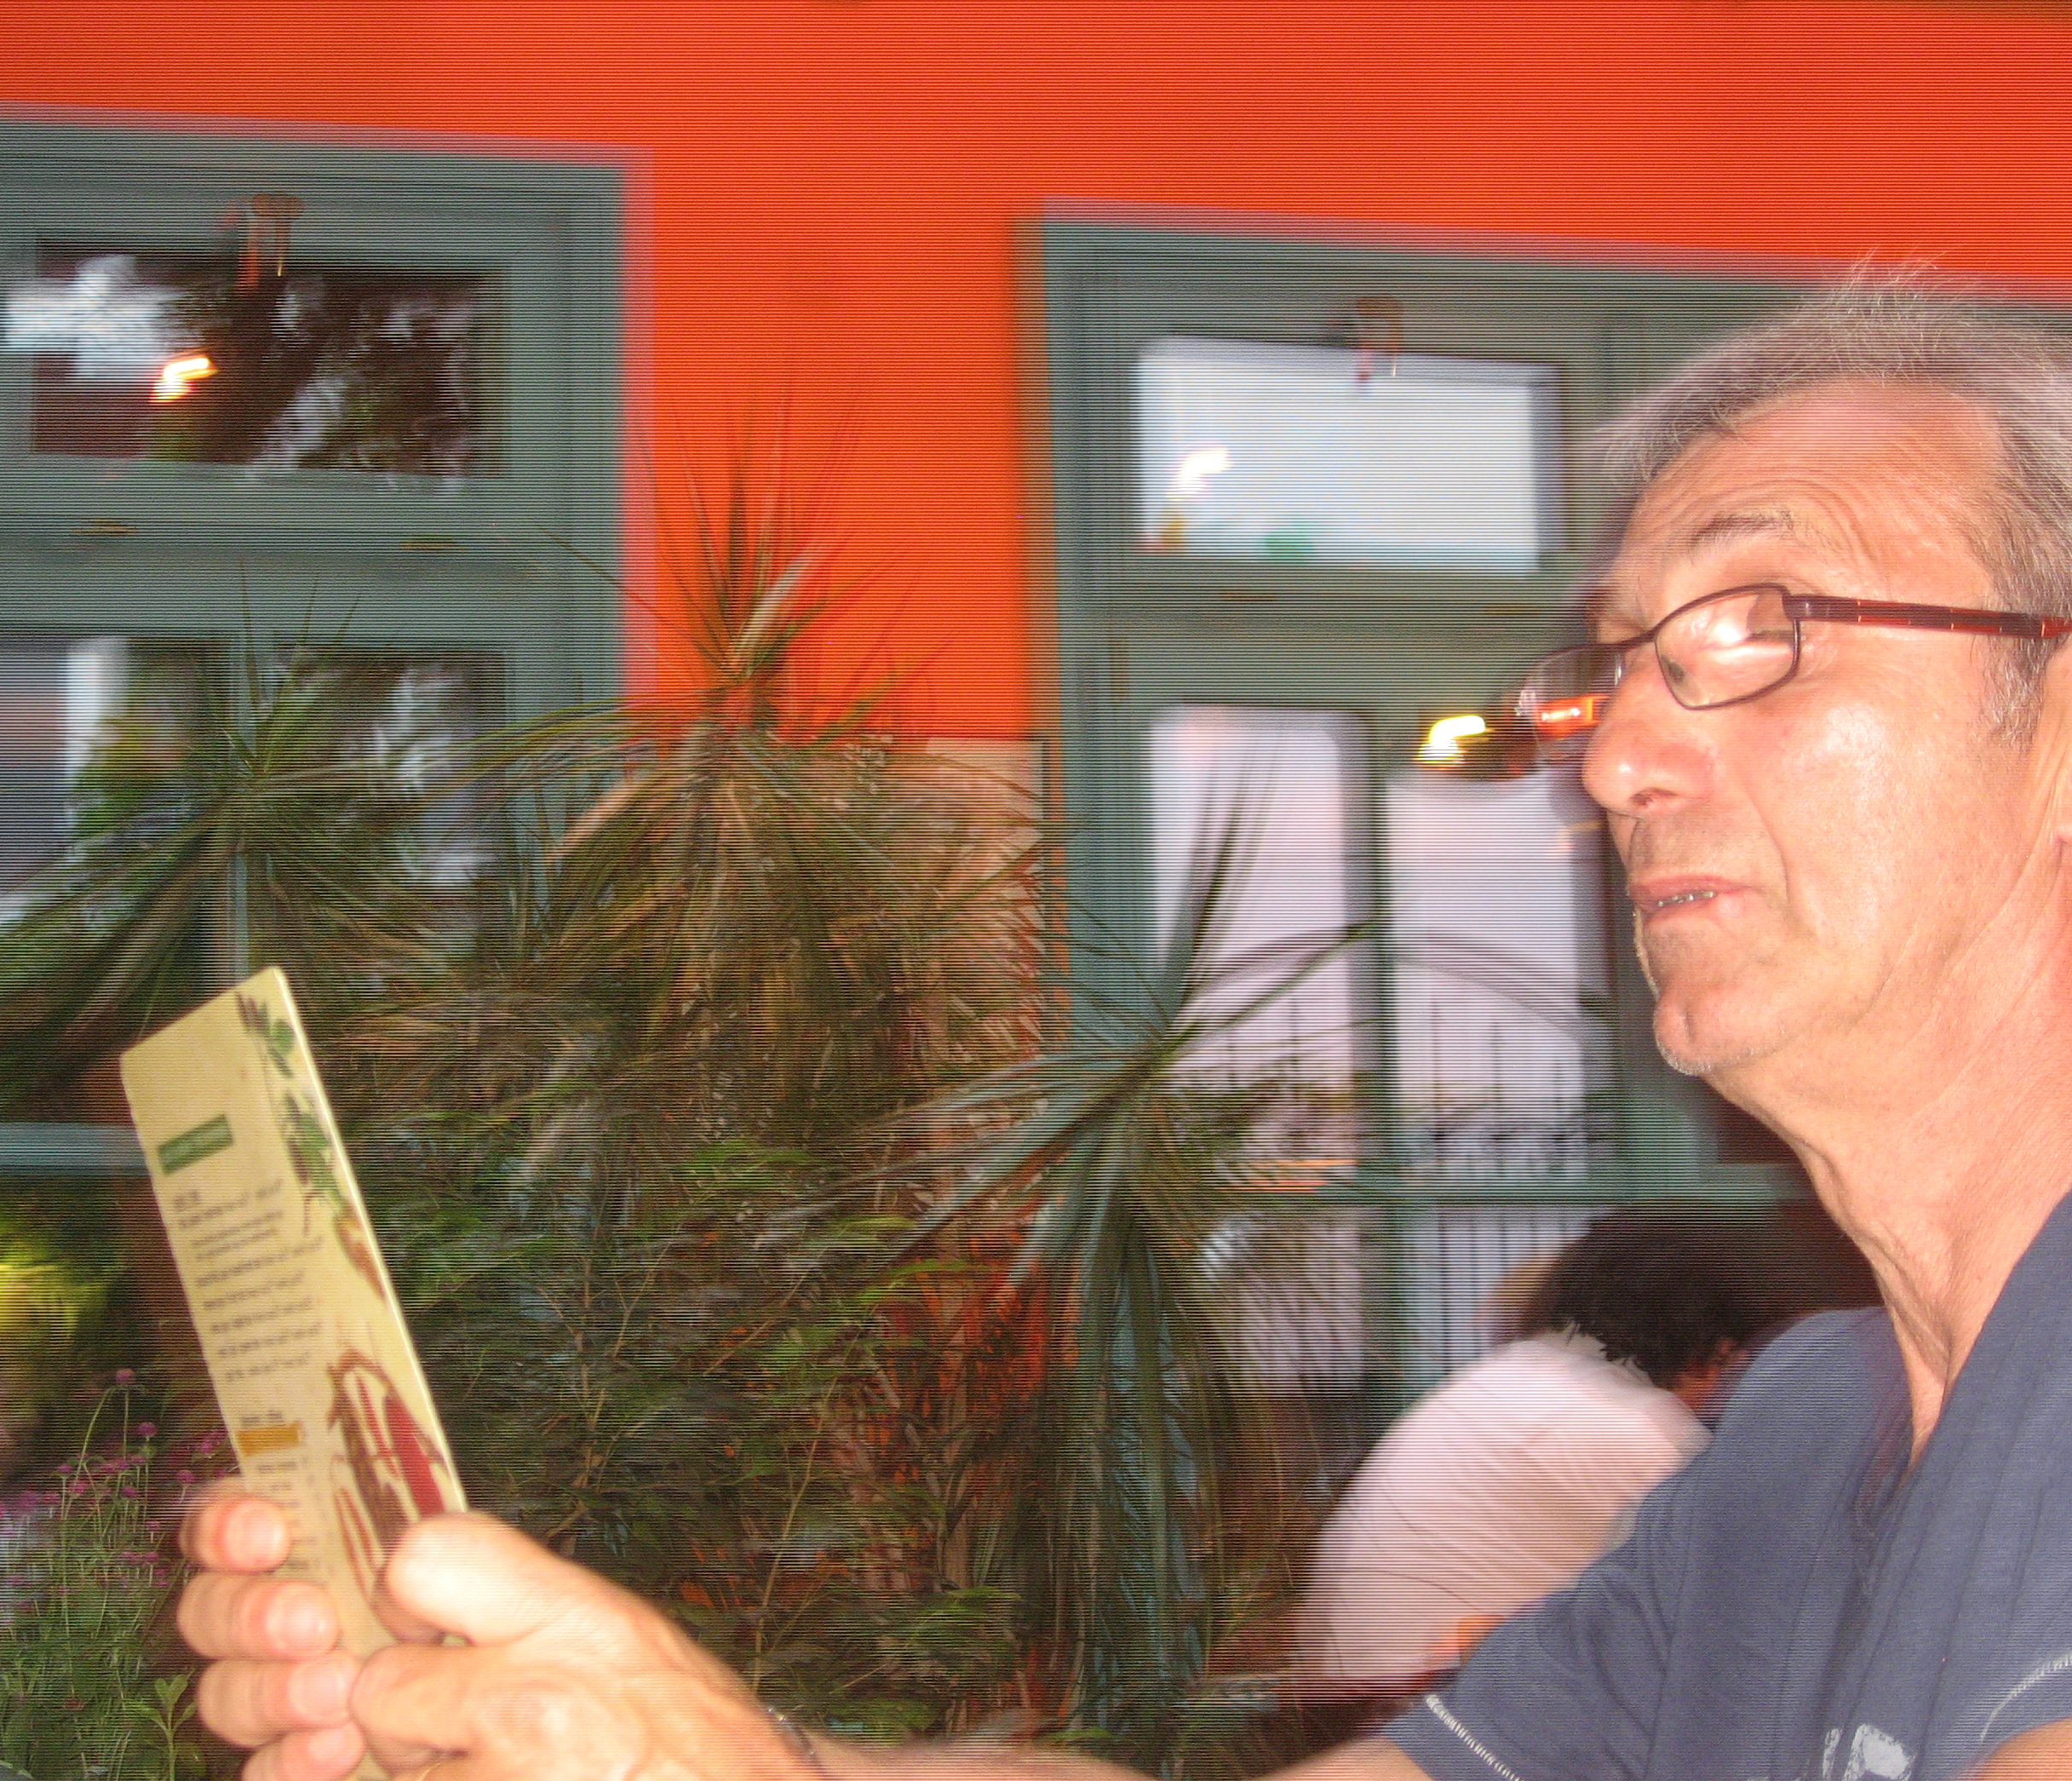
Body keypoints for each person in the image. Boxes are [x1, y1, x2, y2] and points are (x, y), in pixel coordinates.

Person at [176, 281, 2072, 1781]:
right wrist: (724, 1756)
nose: (1622, 758)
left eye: (1757, 624)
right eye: (1620, 665)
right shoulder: (1803, 1441)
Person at [1283, 1208, 1777, 1729]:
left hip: (1362, 1717)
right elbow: (1751, 1608)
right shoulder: (1634, 1430)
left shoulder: (1495, 1382)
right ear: (1709, 1351)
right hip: (1450, 1723)